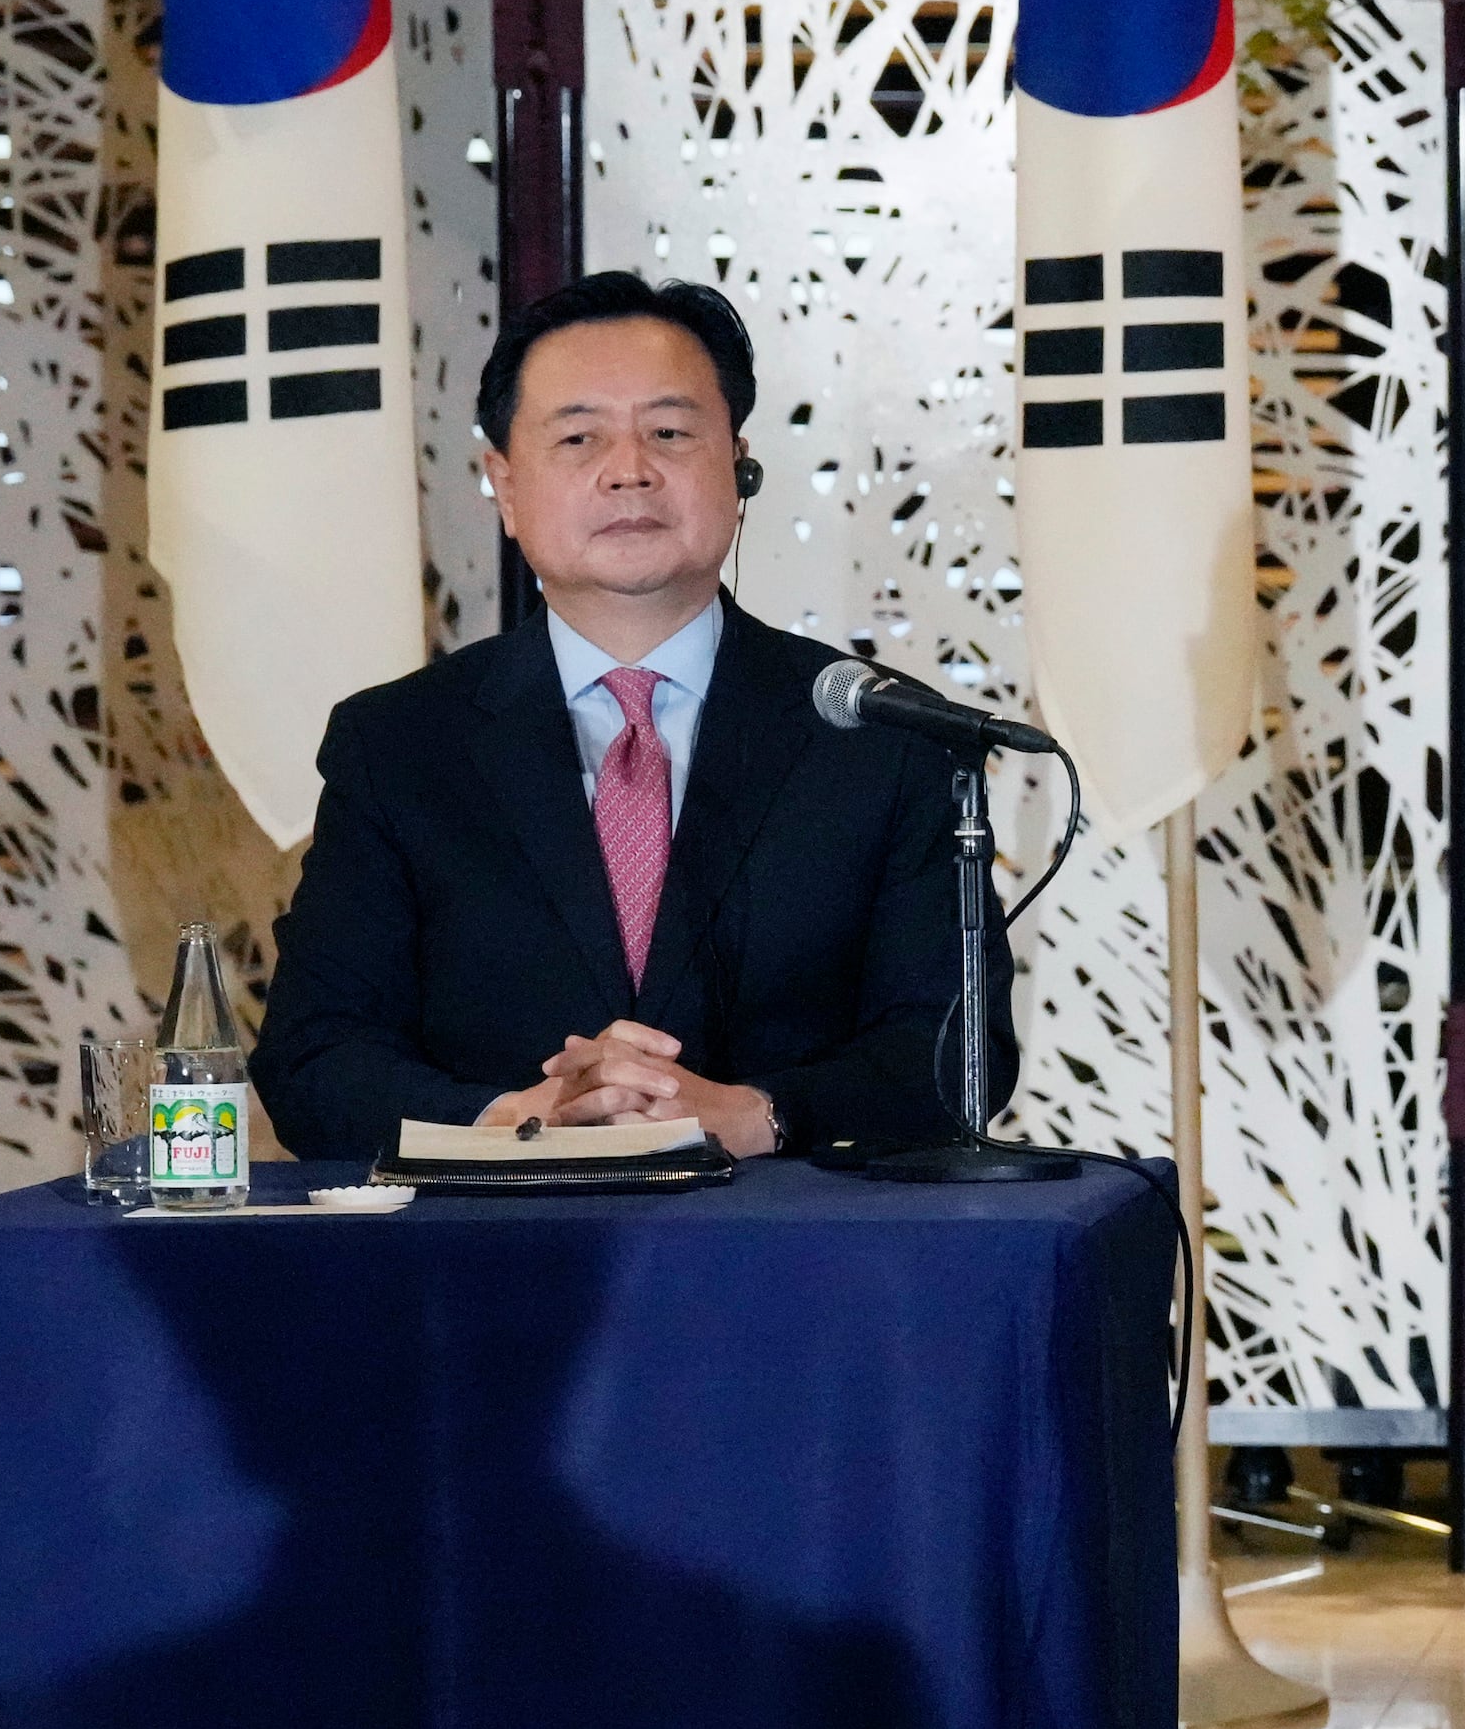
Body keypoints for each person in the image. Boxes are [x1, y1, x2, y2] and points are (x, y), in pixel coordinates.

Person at [254, 271, 1008, 1161]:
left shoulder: (883, 735)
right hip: (484, 1266)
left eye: (670, 431)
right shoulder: (399, 747)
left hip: (803, 1263)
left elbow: (960, 1052)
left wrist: (756, 1113)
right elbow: (315, 1056)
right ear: (502, 481)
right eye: (579, 437)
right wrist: (513, 1119)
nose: (629, 470)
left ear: (740, 466)